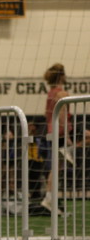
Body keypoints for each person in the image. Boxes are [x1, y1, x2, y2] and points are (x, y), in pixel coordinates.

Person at [42, 63, 72, 210]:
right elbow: (62, 116)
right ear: (62, 76)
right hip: (59, 133)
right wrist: (67, 136)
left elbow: (46, 114)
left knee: (56, 167)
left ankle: (51, 198)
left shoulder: (51, 93)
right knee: (56, 168)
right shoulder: (62, 94)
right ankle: (48, 198)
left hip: (51, 132)